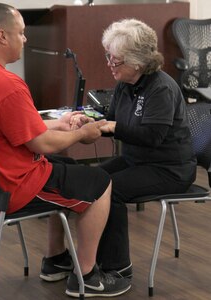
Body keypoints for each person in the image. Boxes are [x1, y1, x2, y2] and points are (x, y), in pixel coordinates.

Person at [0, 3, 131, 298]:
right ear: (3, 36)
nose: (25, 39)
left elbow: (17, 129)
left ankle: (55, 260)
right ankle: (87, 276)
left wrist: (60, 124)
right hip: (9, 189)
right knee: (99, 183)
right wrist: (82, 132)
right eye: (21, 33)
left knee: (57, 164)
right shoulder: (7, 84)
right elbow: (39, 144)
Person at [96, 18, 197, 278]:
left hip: (170, 169)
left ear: (137, 62)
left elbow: (151, 136)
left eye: (115, 60)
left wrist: (112, 126)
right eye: (109, 56)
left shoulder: (161, 88)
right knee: (92, 180)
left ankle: (118, 268)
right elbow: (112, 118)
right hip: (137, 161)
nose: (110, 65)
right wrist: (91, 122)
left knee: (111, 191)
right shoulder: (124, 84)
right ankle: (91, 260)